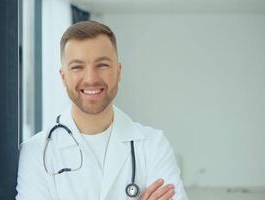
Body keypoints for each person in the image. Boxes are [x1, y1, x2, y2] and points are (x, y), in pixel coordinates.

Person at [16, 20, 188, 200]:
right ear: (63, 77)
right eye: (77, 67)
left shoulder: (153, 145)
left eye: (102, 65)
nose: (91, 78)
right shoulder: (36, 152)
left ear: (118, 72)